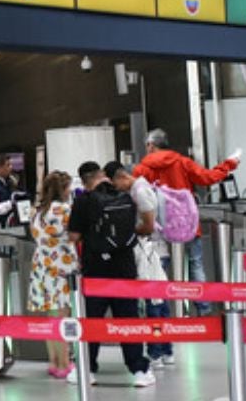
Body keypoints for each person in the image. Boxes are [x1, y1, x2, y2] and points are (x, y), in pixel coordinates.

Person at [132, 128, 239, 314]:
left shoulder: (141, 169)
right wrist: (229, 164)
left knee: (158, 265)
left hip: (157, 225)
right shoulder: (182, 162)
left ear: (150, 145)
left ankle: (159, 309)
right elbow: (208, 177)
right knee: (196, 264)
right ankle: (203, 309)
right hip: (186, 223)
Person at [67, 166, 155, 387]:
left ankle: (87, 369)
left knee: (92, 320)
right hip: (124, 267)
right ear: (102, 176)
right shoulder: (124, 196)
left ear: (85, 181)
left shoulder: (83, 201)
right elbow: (139, 226)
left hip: (96, 269)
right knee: (128, 319)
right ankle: (139, 370)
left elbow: (74, 235)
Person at [107, 161, 173, 367]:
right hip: (153, 250)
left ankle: (156, 352)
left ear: (121, 177)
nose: (116, 189)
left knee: (153, 302)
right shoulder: (143, 187)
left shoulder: (140, 190)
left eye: (115, 185)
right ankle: (165, 350)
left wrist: (127, 231)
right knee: (158, 301)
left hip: (150, 251)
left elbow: (148, 226)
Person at [27, 171, 77, 379]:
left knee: (51, 317)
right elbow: (75, 234)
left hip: (41, 266)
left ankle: (54, 362)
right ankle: (66, 363)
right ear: (62, 189)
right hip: (61, 267)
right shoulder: (65, 210)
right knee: (63, 316)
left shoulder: (37, 212)